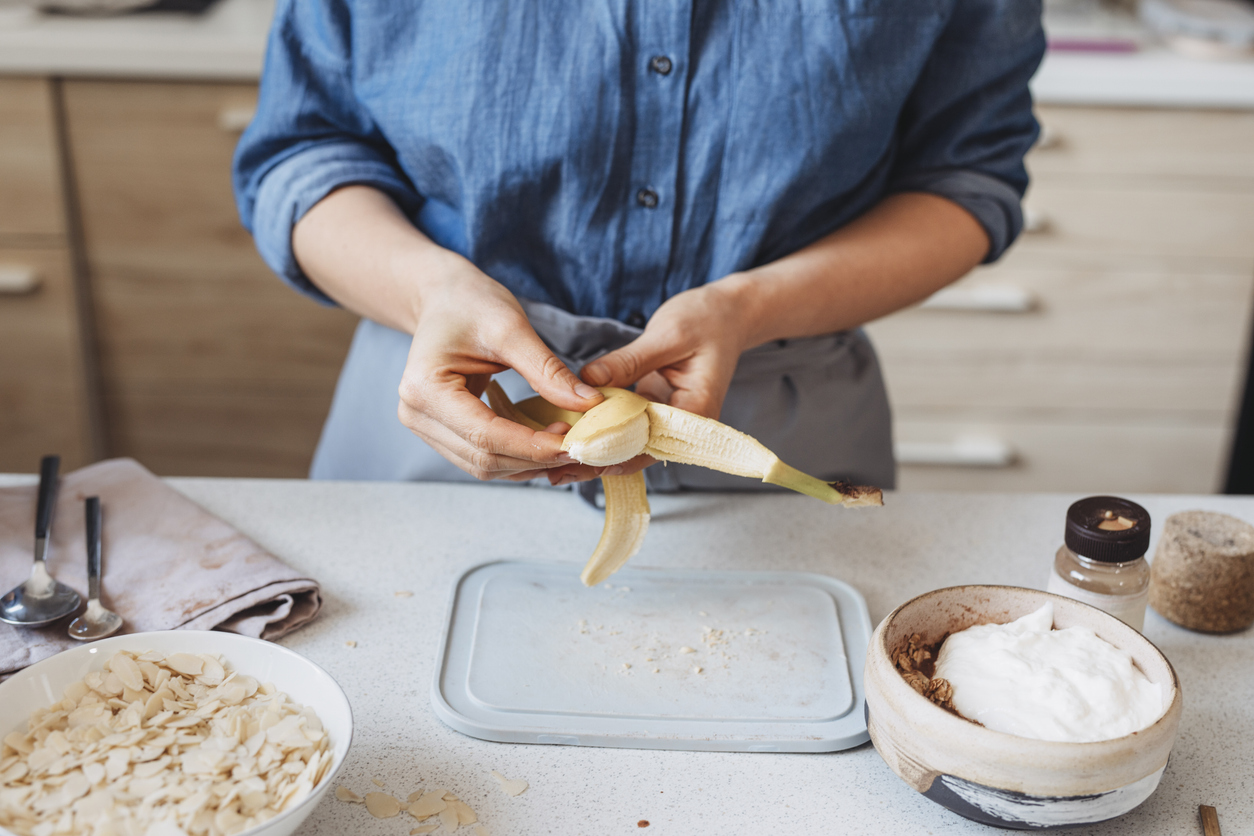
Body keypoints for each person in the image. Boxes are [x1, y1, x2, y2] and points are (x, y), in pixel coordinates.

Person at [233, 1, 1045, 494]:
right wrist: (428, 291)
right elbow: (303, 154)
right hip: (442, 414)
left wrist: (751, 305)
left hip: (780, 434)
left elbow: (967, 177)